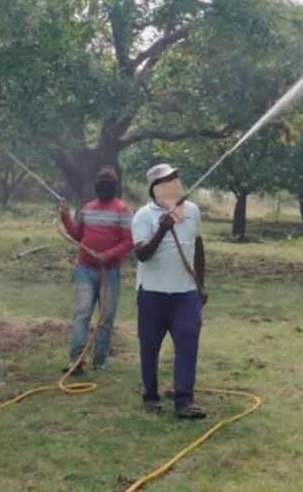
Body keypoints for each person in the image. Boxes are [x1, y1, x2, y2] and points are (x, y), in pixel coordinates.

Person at [131, 163, 208, 419]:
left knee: (188, 345)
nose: (173, 183)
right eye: (166, 180)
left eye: (175, 178)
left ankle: (184, 400)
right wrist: (162, 228)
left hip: (186, 294)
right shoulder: (143, 216)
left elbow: (197, 248)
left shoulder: (193, 211)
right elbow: (142, 255)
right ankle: (150, 395)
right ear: (154, 188)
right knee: (150, 347)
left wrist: (200, 285)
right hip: (152, 294)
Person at [59, 166, 133, 374]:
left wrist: (108, 255)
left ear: (115, 187)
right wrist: (66, 217)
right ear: (95, 186)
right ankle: (76, 360)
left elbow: (129, 242)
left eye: (107, 183)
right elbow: (77, 234)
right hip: (84, 269)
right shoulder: (87, 208)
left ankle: (99, 360)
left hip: (109, 273)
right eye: (100, 183)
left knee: (106, 317)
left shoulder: (123, 210)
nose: (103, 186)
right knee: (82, 313)